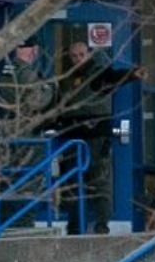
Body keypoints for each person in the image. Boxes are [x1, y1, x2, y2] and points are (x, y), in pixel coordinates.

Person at [57, 41, 147, 235]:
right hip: (72, 136)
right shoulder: (66, 78)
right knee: (72, 182)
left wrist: (132, 74)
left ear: (88, 54)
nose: (78, 59)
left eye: (82, 54)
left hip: (95, 135)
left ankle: (102, 224)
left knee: (99, 180)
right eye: (74, 56)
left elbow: (113, 77)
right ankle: (74, 225)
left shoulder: (97, 72)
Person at [0, 38, 56, 228]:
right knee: (29, 182)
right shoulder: (26, 72)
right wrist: (49, 90)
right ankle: (22, 225)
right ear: (34, 50)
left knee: (10, 181)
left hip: (8, 133)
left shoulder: (5, 70)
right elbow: (36, 101)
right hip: (27, 136)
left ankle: (8, 223)